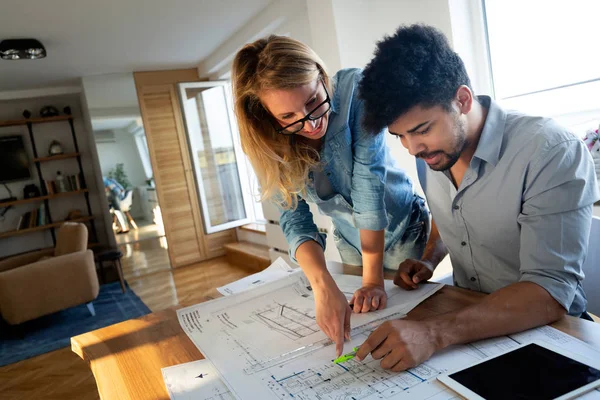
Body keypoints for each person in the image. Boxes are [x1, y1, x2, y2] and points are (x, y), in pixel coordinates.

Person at [354, 24, 599, 371]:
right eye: (400, 136)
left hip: (549, 333)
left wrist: (434, 334)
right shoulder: (436, 153)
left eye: (422, 129)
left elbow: (549, 293)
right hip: (467, 323)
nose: (413, 148)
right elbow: (452, 210)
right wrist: (429, 257)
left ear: (463, 100)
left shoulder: (550, 151)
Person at [231, 35, 429, 356]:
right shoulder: (269, 142)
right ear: (268, 117)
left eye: (312, 101)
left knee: (413, 325)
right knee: (371, 328)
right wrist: (322, 286)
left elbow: (368, 187)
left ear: (322, 76)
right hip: (351, 242)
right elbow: (295, 220)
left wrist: (374, 282)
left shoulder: (358, 91)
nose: (310, 124)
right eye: (287, 117)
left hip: (403, 227)